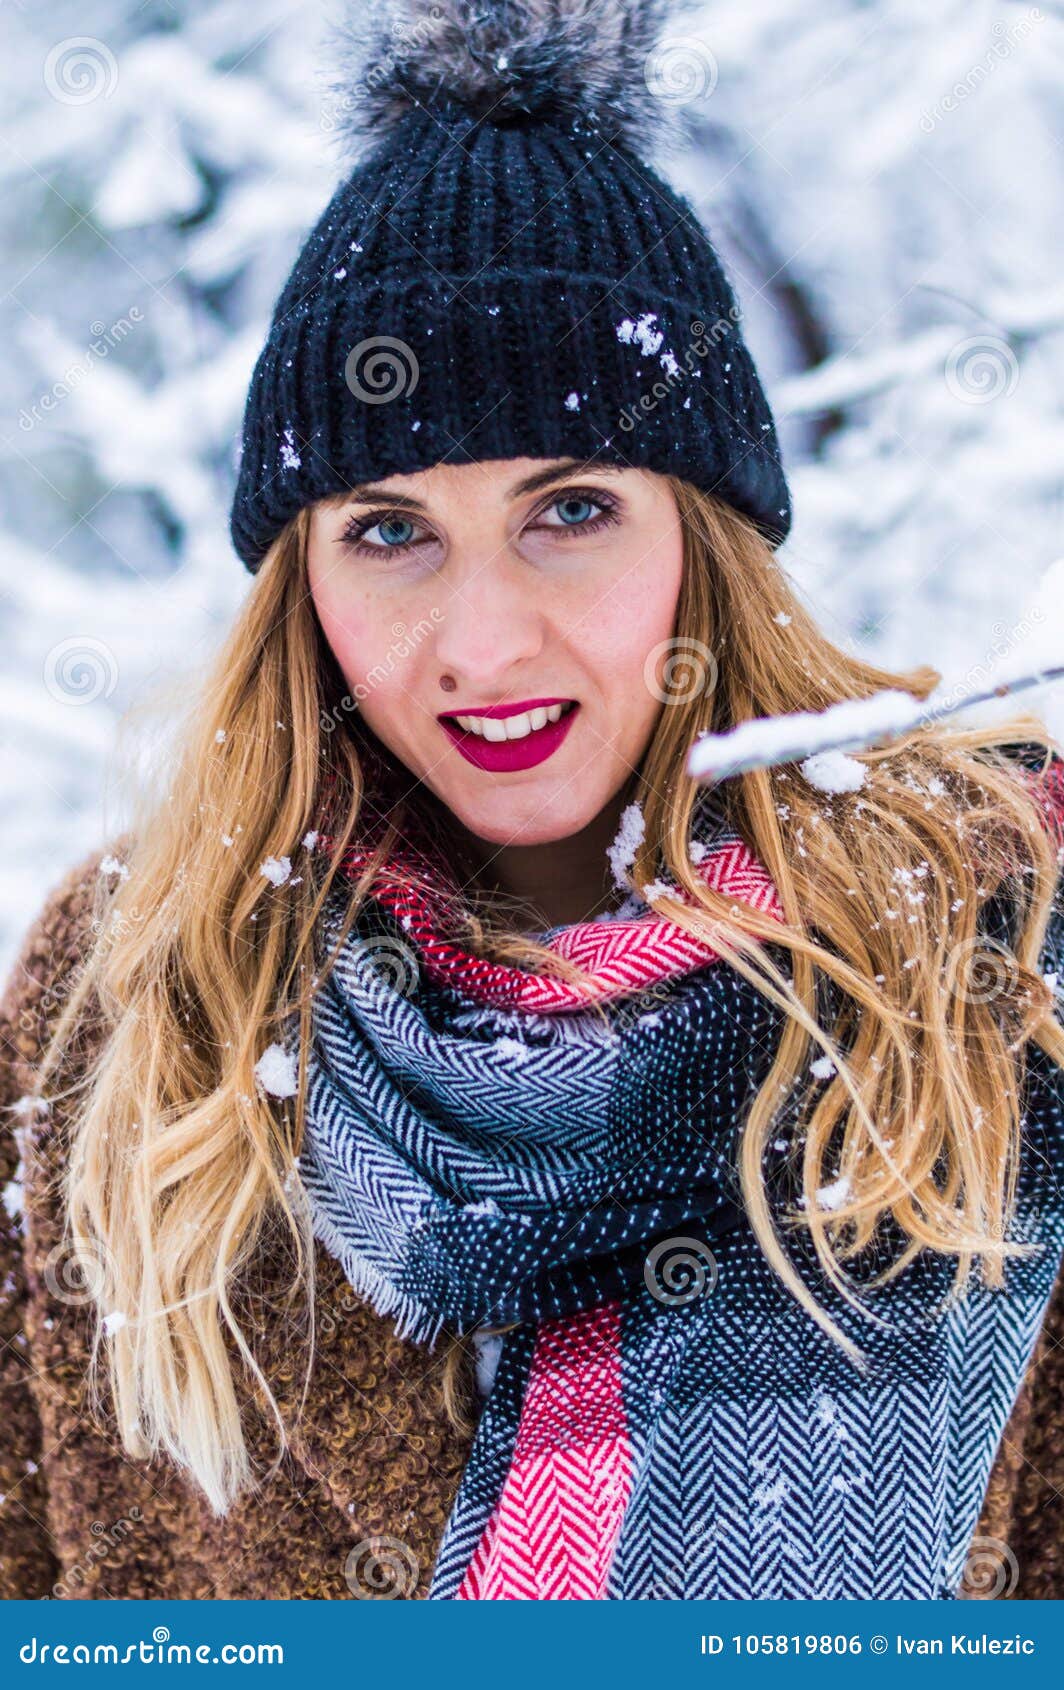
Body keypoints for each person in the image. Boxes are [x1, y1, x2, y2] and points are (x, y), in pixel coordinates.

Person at [3, 0, 1064, 1602]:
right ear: (297, 582)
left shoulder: (991, 961)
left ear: (708, 536)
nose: (485, 641)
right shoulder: (138, 993)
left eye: (571, 509)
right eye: (387, 530)